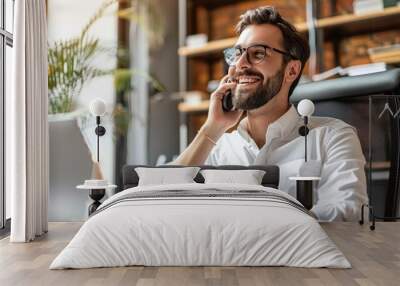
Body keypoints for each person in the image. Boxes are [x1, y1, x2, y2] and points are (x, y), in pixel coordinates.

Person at [171, 6, 368, 221]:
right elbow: (156, 198)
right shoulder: (218, 147)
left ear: (291, 70)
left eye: (258, 53)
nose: (240, 65)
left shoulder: (332, 137)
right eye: (237, 54)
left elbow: (346, 216)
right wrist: (212, 127)